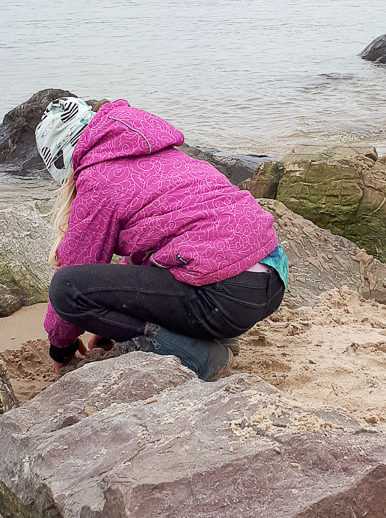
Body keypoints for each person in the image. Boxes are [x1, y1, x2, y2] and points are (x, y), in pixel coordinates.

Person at [35, 97, 288, 380]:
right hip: (271, 281)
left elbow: (74, 267)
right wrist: (111, 326)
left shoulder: (96, 179)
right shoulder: (163, 153)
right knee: (177, 261)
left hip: (224, 296)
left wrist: (61, 348)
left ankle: (196, 355)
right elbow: (149, 256)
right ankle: (206, 335)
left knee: (65, 289)